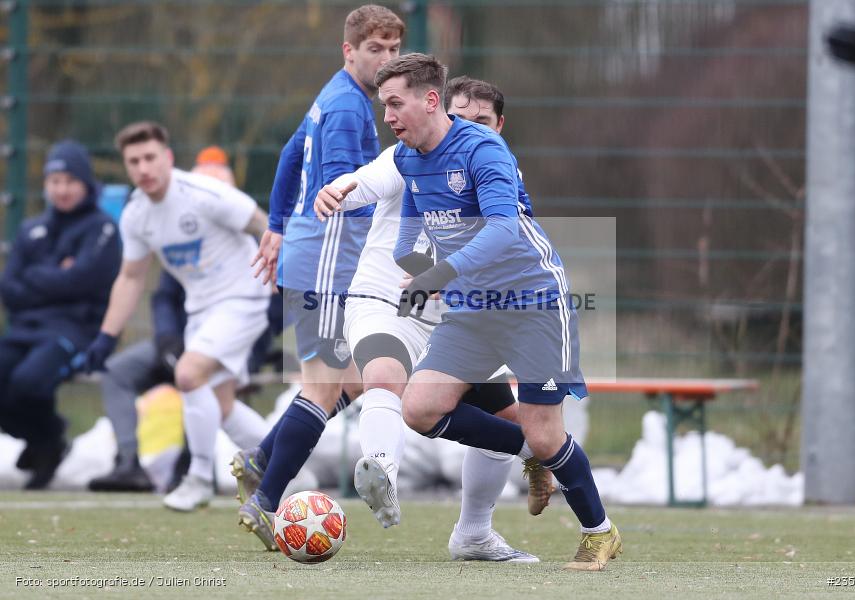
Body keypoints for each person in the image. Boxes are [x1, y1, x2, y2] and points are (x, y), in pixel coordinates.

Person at [376, 53, 621, 571]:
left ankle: (599, 532)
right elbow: (407, 240)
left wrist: (441, 275)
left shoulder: (484, 148)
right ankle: (531, 453)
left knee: (547, 432)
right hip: (473, 310)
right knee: (419, 409)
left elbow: (504, 229)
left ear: (430, 99)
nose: (389, 116)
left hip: (533, 302)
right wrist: (422, 271)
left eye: (396, 103)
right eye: (384, 106)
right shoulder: (406, 158)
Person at [308, 76, 549, 563]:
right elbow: (368, 179)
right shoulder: (413, 152)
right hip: (387, 297)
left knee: (507, 423)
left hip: (457, 313)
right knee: (383, 374)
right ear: (440, 111)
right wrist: (334, 190)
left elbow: (510, 245)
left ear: (499, 126)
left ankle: (474, 534)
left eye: (482, 122)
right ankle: (381, 471)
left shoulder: (494, 167)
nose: (468, 128)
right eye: (461, 117)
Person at [233, 5, 404, 549]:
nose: (386, 59)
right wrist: (394, 222)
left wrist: (279, 224)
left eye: (393, 49)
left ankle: (260, 459)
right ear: (348, 51)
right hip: (326, 264)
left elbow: (288, 157)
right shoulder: (350, 109)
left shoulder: (338, 94)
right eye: (374, 49)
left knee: (353, 380)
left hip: (315, 257)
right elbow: (337, 191)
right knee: (326, 385)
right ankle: (265, 499)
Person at [83, 123, 272, 512]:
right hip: (201, 311)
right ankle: (288, 464)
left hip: (244, 298)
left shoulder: (203, 193)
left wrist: (284, 273)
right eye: (133, 161)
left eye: (150, 157)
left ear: (167, 158)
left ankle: (199, 477)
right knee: (220, 406)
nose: (143, 168)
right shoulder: (136, 214)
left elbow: (264, 224)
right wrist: (106, 336)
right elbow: (132, 276)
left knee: (188, 374)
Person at [0, 140, 121, 489]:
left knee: (28, 382)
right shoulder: (31, 229)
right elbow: (9, 288)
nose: (62, 189)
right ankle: (47, 440)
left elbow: (84, 280)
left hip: (76, 331)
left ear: (85, 183)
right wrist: (59, 276)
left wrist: (36, 276)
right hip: (25, 329)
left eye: (70, 181)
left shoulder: (102, 228)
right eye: (55, 181)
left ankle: (46, 441)